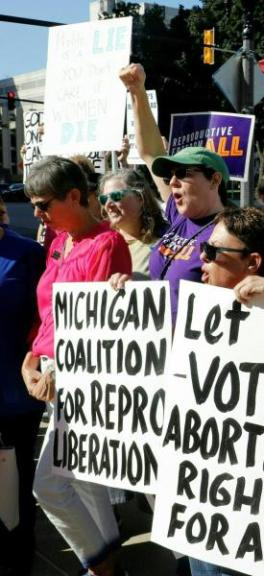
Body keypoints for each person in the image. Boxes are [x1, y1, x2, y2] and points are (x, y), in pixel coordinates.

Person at [21, 156, 132, 576]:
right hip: (50, 368)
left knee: (48, 484)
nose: (37, 214)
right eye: (32, 204)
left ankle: (101, 564)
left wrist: (54, 369)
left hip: (82, 376)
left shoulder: (107, 243)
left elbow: (95, 326)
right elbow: (49, 314)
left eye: (43, 204)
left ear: (73, 195)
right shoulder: (57, 243)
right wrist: (31, 360)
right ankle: (109, 562)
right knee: (85, 477)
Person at [179, 207, 264, 576]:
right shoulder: (202, 316)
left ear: (253, 262)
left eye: (214, 251)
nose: (202, 257)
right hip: (203, 494)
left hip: (252, 508)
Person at [120, 63, 228, 320]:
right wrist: (137, 91)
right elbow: (151, 153)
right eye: (171, 175)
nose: (172, 182)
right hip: (159, 346)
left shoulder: (231, 231)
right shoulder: (179, 216)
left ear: (214, 179)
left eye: (184, 174)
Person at [0, 197, 45, 575]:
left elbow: (47, 317)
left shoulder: (28, 253)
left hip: (17, 393)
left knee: (17, 482)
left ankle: (19, 557)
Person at [99, 168, 167, 280]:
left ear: (140, 198)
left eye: (116, 196)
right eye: (104, 199)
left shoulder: (164, 243)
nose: (108, 204)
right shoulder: (101, 244)